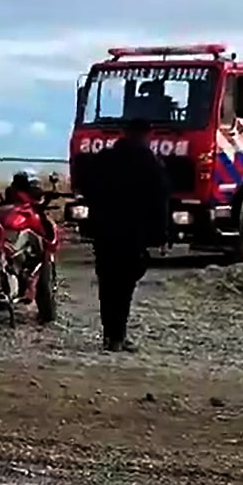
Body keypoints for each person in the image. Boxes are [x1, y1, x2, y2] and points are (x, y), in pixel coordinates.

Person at [78, 118, 169, 352]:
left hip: (105, 230)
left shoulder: (103, 159)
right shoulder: (150, 163)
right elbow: (159, 201)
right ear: (147, 135)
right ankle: (118, 337)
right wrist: (160, 236)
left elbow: (86, 187)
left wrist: (98, 211)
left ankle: (110, 336)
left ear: (125, 133)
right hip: (133, 233)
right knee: (124, 287)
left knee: (107, 286)